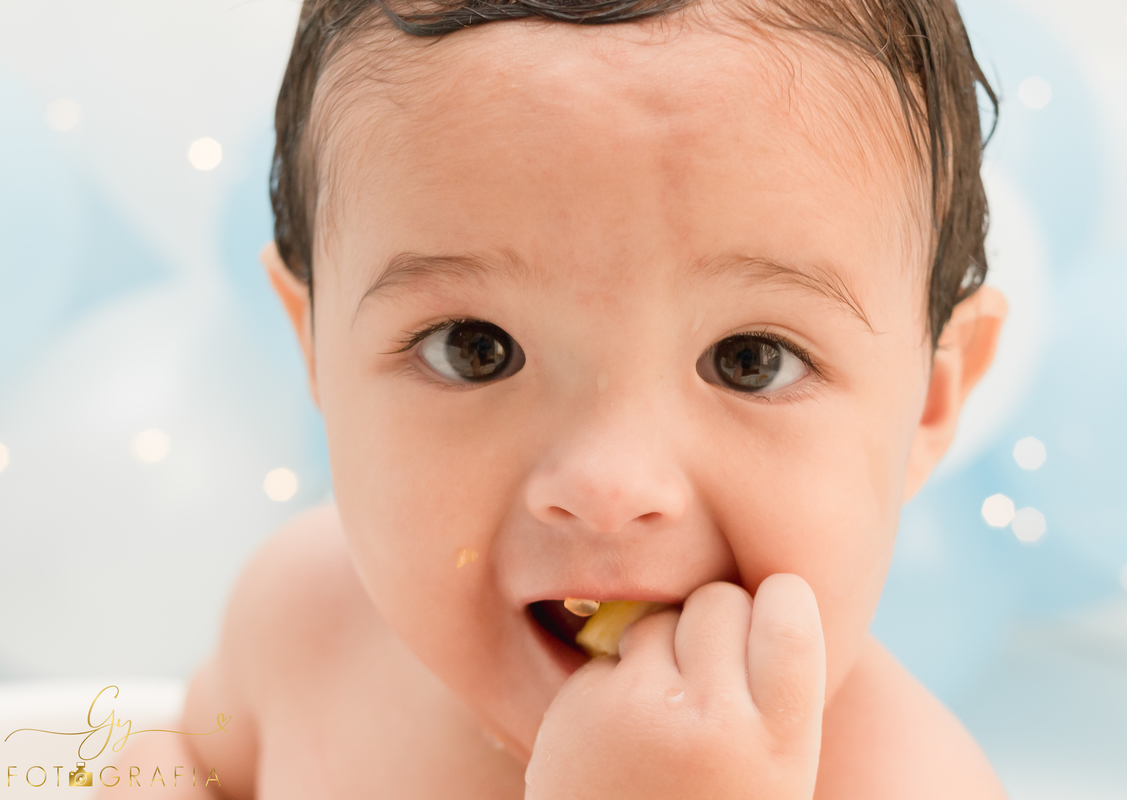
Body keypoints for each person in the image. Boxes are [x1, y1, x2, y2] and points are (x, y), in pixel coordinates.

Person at [102, 0, 1011, 795]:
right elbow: (190, 760)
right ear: (314, 347)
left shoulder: (902, 783)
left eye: (751, 359)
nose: (609, 485)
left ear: (932, 399)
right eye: (475, 350)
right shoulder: (306, 617)